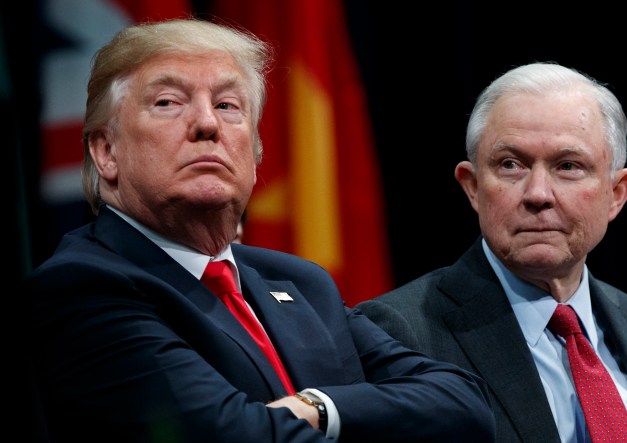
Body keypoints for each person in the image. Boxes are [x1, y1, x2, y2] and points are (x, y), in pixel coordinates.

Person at [23, 18, 495, 443]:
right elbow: (233, 433)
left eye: (229, 105)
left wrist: (317, 407)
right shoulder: (83, 286)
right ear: (106, 152)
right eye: (168, 102)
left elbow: (464, 404)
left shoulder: (299, 282)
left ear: (256, 155)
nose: (208, 123)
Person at [357, 62, 627, 442]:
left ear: (616, 194)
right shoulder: (397, 334)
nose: (538, 194)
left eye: (568, 166)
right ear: (473, 187)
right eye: (511, 165)